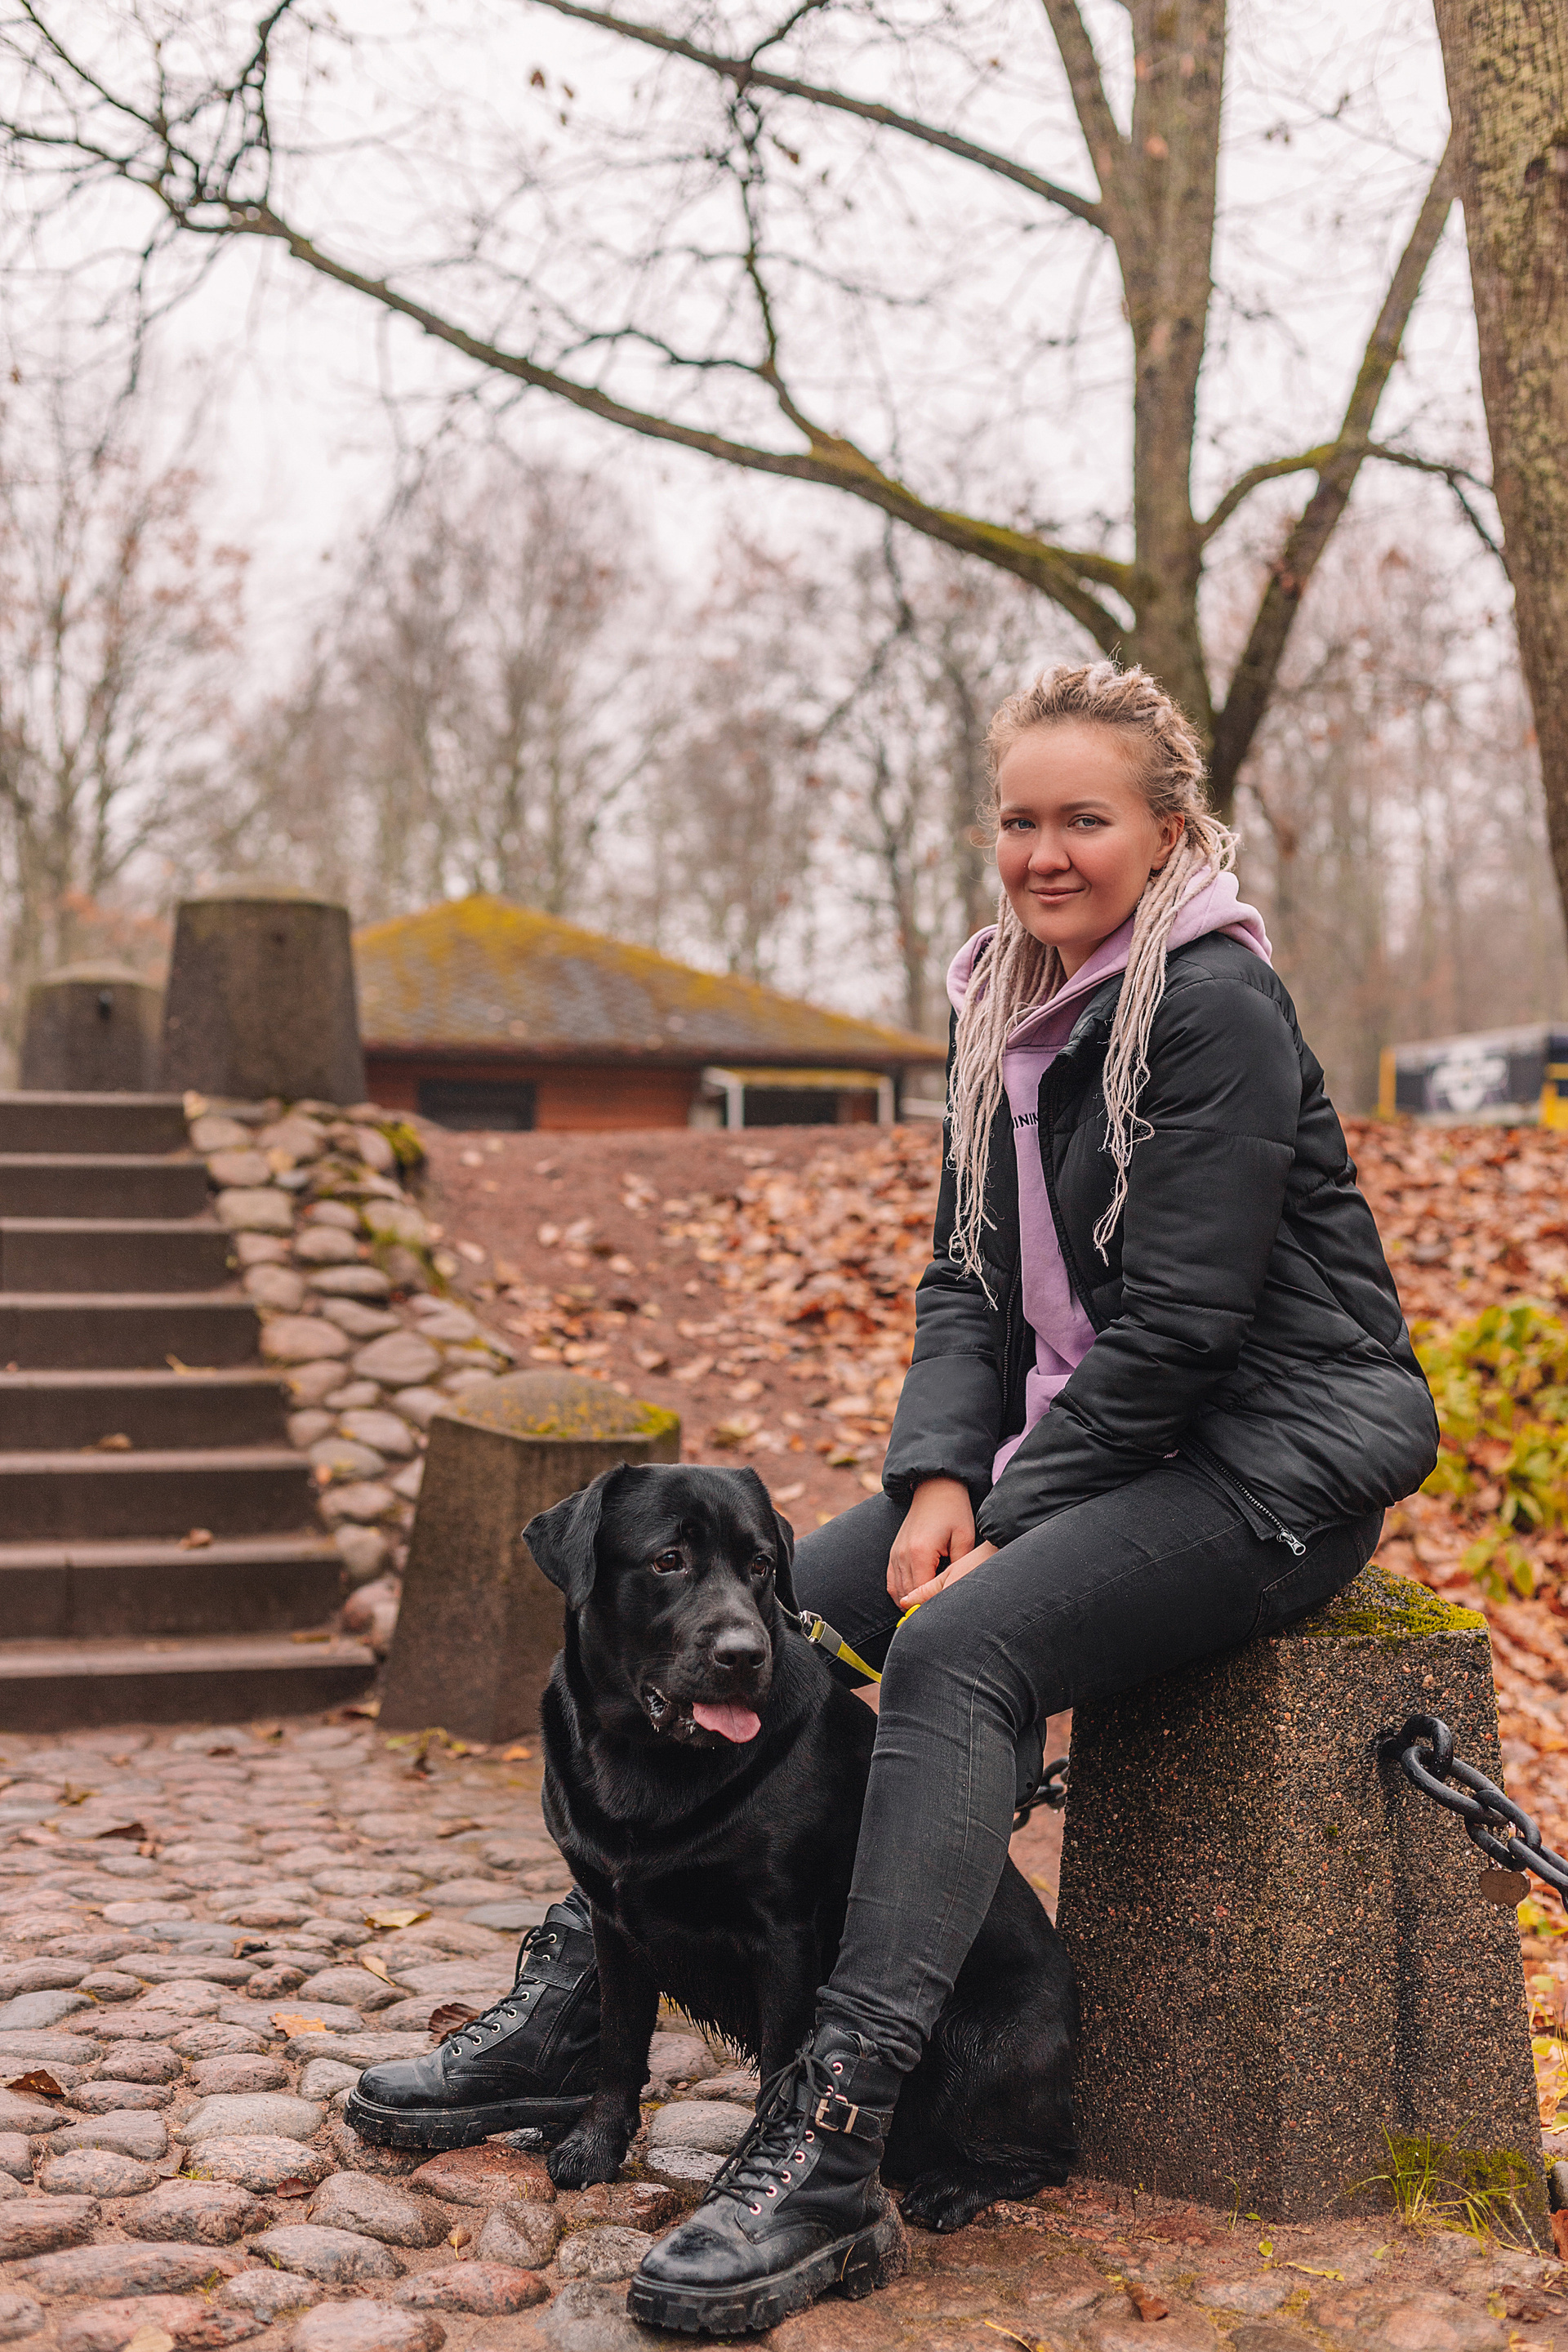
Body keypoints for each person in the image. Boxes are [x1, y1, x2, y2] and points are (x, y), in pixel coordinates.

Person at [351, 660, 1439, 2336]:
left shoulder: (1212, 1004)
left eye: (1086, 819)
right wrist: (936, 1475)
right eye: (1019, 820)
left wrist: (1004, 1521)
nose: (1045, 852)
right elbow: (966, 1284)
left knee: (957, 1653)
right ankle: (580, 1999)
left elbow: (1185, 1329)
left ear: (1168, 832)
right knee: (786, 1613)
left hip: (1266, 1455)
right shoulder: (1005, 1001)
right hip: (1092, 1440)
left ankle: (832, 2138)